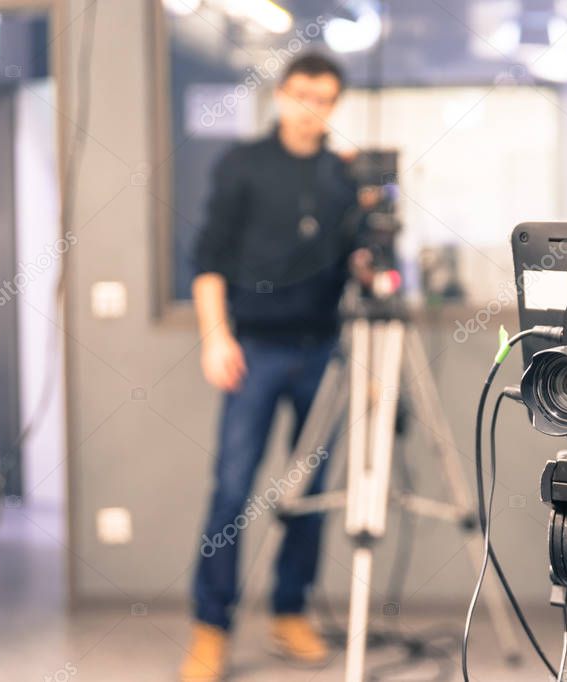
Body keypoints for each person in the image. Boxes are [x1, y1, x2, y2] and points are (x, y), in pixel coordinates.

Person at [180, 54, 371, 681]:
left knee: (311, 494)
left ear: (334, 104)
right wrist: (216, 339)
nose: (310, 106)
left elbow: (359, 269)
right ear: (282, 95)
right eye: (300, 93)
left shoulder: (344, 177)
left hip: (323, 351)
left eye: (323, 97)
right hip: (254, 350)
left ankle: (290, 612)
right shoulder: (243, 165)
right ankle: (211, 626)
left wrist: (373, 254)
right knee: (232, 490)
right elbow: (207, 259)